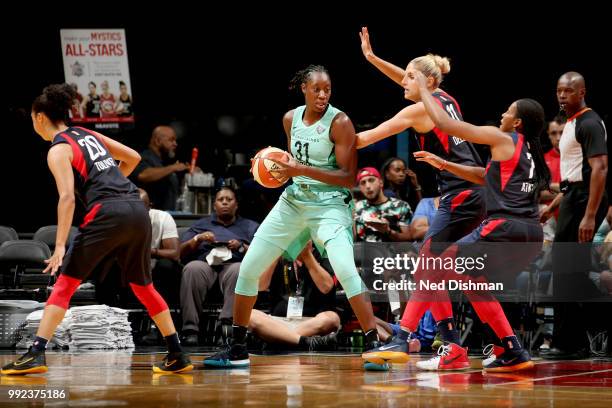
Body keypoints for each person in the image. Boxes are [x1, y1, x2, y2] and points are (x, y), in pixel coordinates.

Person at [365, 69, 549, 372]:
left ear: (517, 123)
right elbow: (482, 175)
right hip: (530, 236)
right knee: (472, 281)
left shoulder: (502, 137)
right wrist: (444, 163)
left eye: (508, 111)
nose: (502, 114)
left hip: (503, 228)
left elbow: (446, 124)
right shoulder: (528, 151)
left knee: (432, 264)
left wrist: (424, 89)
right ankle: (513, 349)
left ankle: (403, 335)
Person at [1, 84, 191, 375]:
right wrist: (110, 182)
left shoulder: (58, 149)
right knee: (143, 286)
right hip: (136, 208)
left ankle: (35, 353)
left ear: (39, 117)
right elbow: (133, 158)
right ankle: (177, 353)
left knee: (65, 283)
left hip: (108, 212)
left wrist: (61, 245)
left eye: (31, 118)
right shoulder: (87, 133)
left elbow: (65, 198)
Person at [204, 65, 383, 368]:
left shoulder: (340, 122)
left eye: (328, 89)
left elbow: (348, 177)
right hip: (294, 200)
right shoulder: (290, 119)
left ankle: (374, 346)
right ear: (304, 88)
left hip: (330, 205)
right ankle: (237, 349)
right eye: (317, 89)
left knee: (344, 267)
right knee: (248, 269)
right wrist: (272, 169)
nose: (323, 95)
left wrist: (299, 170)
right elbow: (290, 164)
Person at [357, 28, 486, 363]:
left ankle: (402, 336)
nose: (403, 82)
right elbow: (409, 81)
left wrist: (333, 140)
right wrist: (372, 59)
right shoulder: (445, 98)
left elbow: (370, 136)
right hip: (470, 192)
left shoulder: (419, 112)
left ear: (426, 81)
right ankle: (456, 345)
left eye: (410, 77)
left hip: (462, 193)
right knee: (435, 269)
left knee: (426, 265)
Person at [540, 72, 608, 360]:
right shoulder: (570, 123)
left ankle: (570, 343)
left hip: (584, 201)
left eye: (568, 91)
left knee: (568, 271)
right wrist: (554, 204)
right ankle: (575, 340)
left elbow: (600, 169)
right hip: (572, 198)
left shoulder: (589, 122)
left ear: (582, 92)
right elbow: (572, 174)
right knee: (567, 272)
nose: (562, 95)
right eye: (558, 90)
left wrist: (590, 215)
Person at [179, 187, 259, 346]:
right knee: (192, 269)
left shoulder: (250, 226)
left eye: (229, 200)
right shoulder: (201, 225)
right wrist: (198, 239)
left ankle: (227, 329)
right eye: (220, 199)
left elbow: (260, 253)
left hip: (233, 264)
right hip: (205, 264)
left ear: (236, 205)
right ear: (214, 205)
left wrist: (241, 246)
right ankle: (190, 330)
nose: (224, 202)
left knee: (239, 270)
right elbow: (179, 252)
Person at [249, 242, 340, 351]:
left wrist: (307, 256)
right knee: (250, 316)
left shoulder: (323, 254)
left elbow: (326, 287)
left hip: (311, 323)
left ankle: (277, 338)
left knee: (332, 319)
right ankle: (304, 342)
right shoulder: (279, 256)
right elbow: (260, 286)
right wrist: (275, 256)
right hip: (277, 322)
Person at [130, 126, 189, 211]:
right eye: (171, 140)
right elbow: (143, 175)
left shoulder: (162, 161)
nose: (175, 144)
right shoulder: (144, 157)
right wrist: (173, 167)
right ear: (157, 141)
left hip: (168, 215)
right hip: (151, 216)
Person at [354, 166, 413, 242]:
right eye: (363, 183)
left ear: (381, 183)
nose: (367, 186)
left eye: (371, 180)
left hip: (391, 252)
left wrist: (388, 231)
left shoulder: (400, 206)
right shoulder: (357, 207)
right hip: (364, 252)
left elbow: (408, 239)